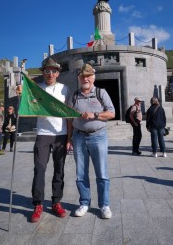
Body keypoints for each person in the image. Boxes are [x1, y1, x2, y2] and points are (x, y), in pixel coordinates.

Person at [67, 64, 115, 219]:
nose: (85, 78)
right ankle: (84, 203)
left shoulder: (101, 93)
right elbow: (69, 118)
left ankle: (104, 205)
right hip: (78, 137)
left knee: (102, 173)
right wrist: (69, 139)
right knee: (81, 173)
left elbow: (111, 113)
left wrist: (94, 115)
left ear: (93, 78)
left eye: (88, 76)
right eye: (82, 76)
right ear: (79, 78)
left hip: (98, 136)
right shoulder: (74, 96)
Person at [30, 57, 70, 223]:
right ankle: (38, 204)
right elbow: (29, 106)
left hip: (61, 134)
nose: (50, 73)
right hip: (43, 133)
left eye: (54, 70)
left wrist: (69, 138)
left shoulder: (65, 89)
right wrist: (21, 94)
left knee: (59, 170)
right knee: (39, 169)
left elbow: (69, 114)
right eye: (47, 70)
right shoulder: (37, 89)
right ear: (43, 72)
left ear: (58, 73)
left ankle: (56, 202)